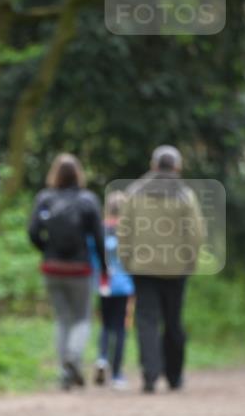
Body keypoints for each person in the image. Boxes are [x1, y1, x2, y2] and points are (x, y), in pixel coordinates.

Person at [117, 145, 205, 393]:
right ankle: (174, 377)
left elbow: (124, 230)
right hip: (176, 269)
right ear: (177, 167)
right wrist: (191, 260)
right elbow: (196, 233)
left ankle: (150, 375)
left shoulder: (135, 192)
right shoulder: (185, 195)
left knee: (146, 321)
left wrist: (126, 259)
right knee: (173, 321)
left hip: (142, 268)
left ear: (153, 166)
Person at [28, 153, 107, 389]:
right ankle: (73, 356)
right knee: (82, 318)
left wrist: (46, 251)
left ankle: (65, 373)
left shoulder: (44, 198)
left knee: (62, 320)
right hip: (80, 269)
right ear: (79, 174)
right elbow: (99, 238)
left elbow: (33, 232)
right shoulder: (88, 200)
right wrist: (105, 268)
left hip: (52, 268)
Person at [93, 190, 135, 390]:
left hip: (103, 283)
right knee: (121, 328)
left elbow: (93, 253)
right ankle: (117, 374)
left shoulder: (100, 229)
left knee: (105, 324)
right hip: (124, 285)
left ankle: (102, 358)